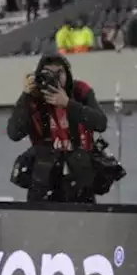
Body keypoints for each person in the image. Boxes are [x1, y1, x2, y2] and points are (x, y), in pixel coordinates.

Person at [6, 55, 108, 203]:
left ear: (68, 74)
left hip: (80, 173)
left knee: (84, 217)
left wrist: (68, 104)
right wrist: (25, 97)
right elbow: (14, 133)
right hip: (44, 176)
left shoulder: (80, 92)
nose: (54, 79)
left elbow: (100, 123)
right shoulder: (34, 97)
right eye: (48, 74)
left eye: (59, 73)